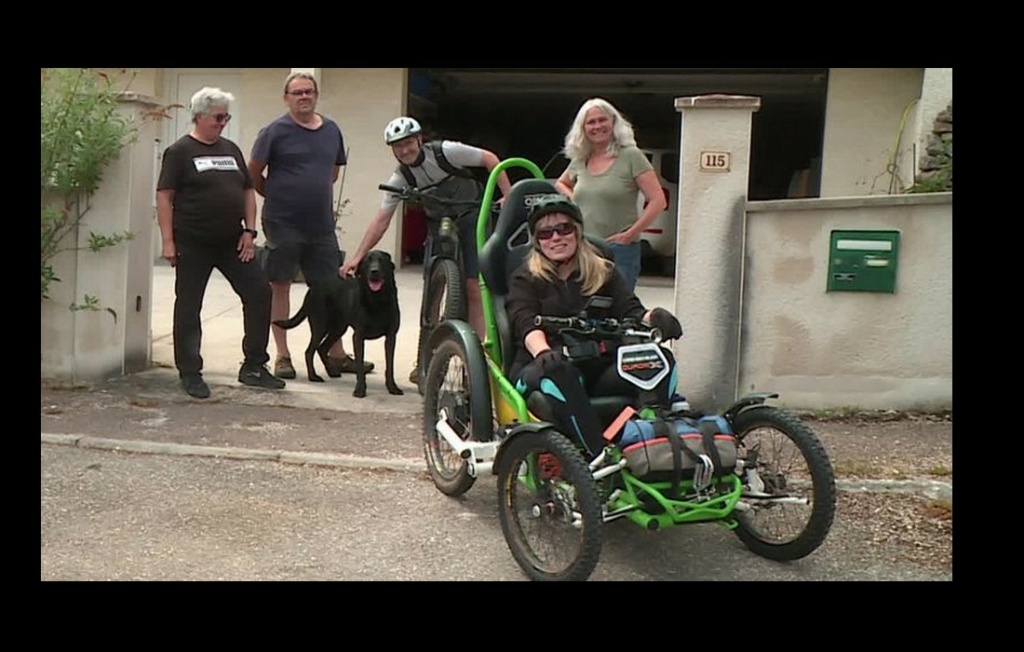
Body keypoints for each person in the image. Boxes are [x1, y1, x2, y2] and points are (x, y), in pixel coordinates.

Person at [505, 194, 683, 460]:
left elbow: (631, 312)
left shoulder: (603, 272)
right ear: (537, 241)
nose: (556, 237)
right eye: (545, 233)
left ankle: (655, 443)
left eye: (564, 228)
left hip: (597, 367)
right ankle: (595, 458)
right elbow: (525, 323)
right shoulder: (526, 278)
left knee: (659, 359)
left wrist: (655, 317)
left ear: (577, 232)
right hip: (541, 367)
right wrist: (543, 352)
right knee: (557, 371)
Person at [340, 116, 512, 384]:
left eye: (409, 143)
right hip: (438, 221)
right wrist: (358, 256)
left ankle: (477, 356)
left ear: (419, 140)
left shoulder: (446, 152)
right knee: (432, 293)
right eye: (398, 147)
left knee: (473, 289)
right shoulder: (400, 178)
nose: (405, 150)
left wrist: (507, 193)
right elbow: (381, 220)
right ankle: (425, 359)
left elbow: (490, 159)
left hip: (469, 214)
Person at [156, 86, 286, 399]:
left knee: (258, 293)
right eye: (218, 116)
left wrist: (250, 231)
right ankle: (190, 372)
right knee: (189, 306)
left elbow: (246, 190)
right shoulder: (179, 151)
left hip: (232, 240)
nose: (223, 122)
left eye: (226, 116)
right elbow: (164, 196)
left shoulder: (230, 149)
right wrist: (168, 241)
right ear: (199, 116)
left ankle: (254, 366)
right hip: (193, 242)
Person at [247, 71, 373, 380]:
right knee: (281, 284)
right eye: (297, 92)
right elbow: (253, 173)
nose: (304, 97)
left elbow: (332, 172)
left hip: (321, 226)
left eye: (308, 92)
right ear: (286, 98)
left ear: (316, 95)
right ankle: (282, 355)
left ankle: (336, 353)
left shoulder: (332, 131)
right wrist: (276, 194)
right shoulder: (274, 132)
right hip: (282, 222)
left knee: (331, 288)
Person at [554, 98, 668, 292]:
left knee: (617, 310)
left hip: (620, 249)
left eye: (602, 120)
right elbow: (561, 183)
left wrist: (630, 234)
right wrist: (575, 200)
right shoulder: (582, 158)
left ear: (613, 122)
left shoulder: (631, 156)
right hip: (584, 248)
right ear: (582, 128)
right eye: (591, 122)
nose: (597, 126)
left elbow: (658, 200)